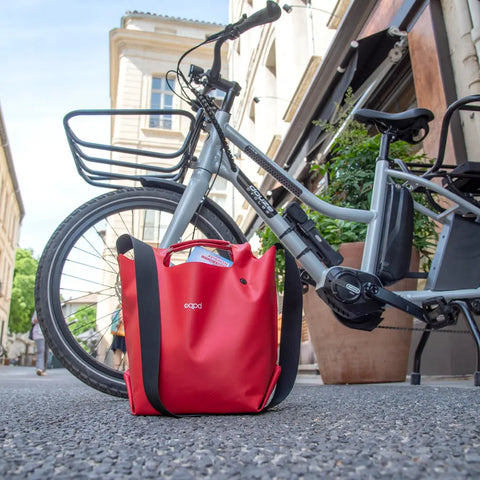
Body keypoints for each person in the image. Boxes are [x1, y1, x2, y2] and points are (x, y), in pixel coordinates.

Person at [31, 311, 49, 376]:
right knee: (41, 350)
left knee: (46, 352)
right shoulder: (37, 311)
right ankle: (39, 368)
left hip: (48, 334)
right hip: (38, 334)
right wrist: (41, 318)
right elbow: (33, 320)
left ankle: (43, 369)